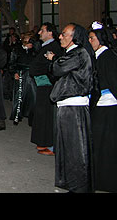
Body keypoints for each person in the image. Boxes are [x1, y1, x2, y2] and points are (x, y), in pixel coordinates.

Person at [46, 23, 94, 193]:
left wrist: (53, 60)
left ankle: (79, 187)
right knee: (67, 148)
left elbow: (58, 68)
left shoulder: (78, 53)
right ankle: (72, 184)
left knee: (75, 149)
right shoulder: (72, 53)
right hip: (67, 105)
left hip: (74, 107)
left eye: (64, 34)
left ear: (74, 36)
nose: (60, 36)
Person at [88, 23, 117, 192]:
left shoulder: (108, 57)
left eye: (92, 38)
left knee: (106, 145)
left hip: (108, 107)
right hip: (100, 105)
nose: (90, 40)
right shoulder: (99, 56)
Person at [29, 23, 62, 155]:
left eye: (42, 30)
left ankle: (51, 144)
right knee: (42, 113)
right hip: (42, 84)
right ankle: (44, 141)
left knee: (48, 114)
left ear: (50, 33)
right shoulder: (45, 47)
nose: (39, 33)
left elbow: (53, 65)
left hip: (48, 84)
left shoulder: (53, 47)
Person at [8, 32, 37, 125]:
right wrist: (14, 72)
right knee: (19, 96)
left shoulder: (35, 50)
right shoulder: (17, 49)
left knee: (33, 96)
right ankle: (17, 115)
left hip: (32, 75)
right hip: (21, 73)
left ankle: (32, 117)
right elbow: (11, 62)